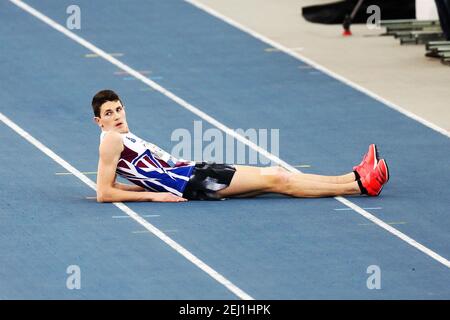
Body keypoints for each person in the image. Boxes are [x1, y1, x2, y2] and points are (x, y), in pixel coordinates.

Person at [92, 90, 389, 203]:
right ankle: (361, 187)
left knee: (276, 175)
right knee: (278, 179)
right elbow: (104, 193)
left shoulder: (121, 138)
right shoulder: (111, 141)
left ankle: (353, 177)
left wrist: (146, 189)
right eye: (109, 113)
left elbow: (136, 178)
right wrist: (154, 198)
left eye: (118, 109)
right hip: (191, 183)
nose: (117, 116)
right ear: (99, 121)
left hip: (192, 173)